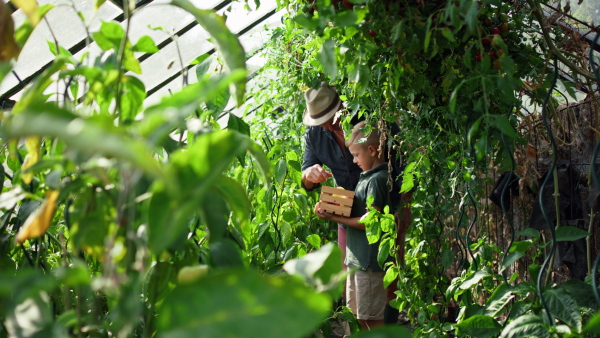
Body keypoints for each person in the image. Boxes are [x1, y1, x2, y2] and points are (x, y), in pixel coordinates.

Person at [301, 82, 411, 325]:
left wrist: (403, 210)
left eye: (332, 118)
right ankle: (364, 324)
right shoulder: (315, 135)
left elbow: (404, 166)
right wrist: (310, 174)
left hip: (386, 204)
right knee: (352, 274)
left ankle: (386, 325)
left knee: (387, 273)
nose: (329, 125)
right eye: (322, 122)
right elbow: (306, 175)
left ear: (342, 106)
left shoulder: (372, 122)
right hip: (348, 205)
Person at [314, 121, 389, 331]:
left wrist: (335, 218)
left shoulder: (377, 180)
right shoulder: (366, 178)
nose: (354, 161)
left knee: (371, 321)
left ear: (372, 151)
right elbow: (358, 207)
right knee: (355, 317)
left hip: (369, 264)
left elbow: (370, 222)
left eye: (356, 155)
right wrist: (333, 202)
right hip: (357, 262)